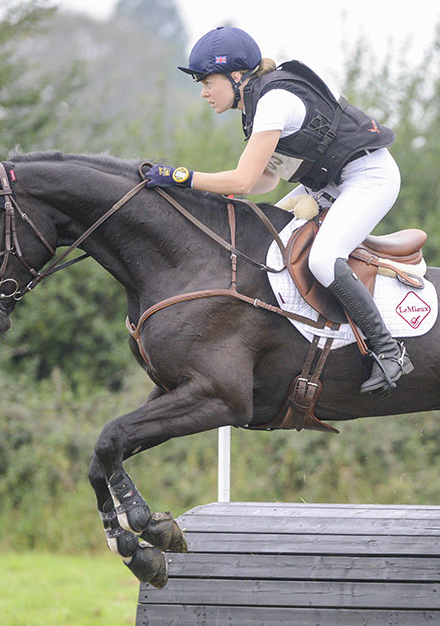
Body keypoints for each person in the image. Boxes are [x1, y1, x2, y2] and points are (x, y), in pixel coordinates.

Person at [145, 26, 412, 395]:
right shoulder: (257, 105)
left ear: (236, 76)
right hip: (330, 185)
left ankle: (388, 351)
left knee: (322, 259)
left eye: (207, 82)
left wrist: (183, 177)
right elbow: (265, 182)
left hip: (369, 176)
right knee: (268, 235)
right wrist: (204, 196)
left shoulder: (273, 102)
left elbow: (241, 181)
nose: (204, 92)